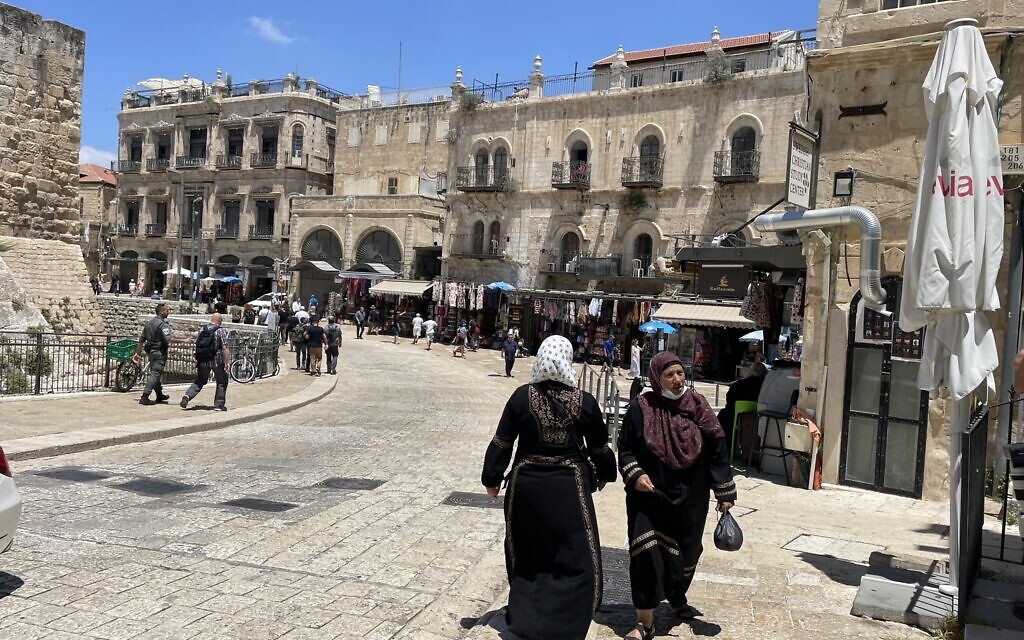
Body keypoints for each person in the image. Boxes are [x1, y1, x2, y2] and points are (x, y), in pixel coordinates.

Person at [481, 336, 617, 640]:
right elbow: (599, 447)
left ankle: (528, 617)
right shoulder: (585, 402)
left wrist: (492, 478)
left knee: (528, 552)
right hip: (570, 488)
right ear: (567, 360)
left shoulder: (520, 397)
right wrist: (606, 473)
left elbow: (502, 441)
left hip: (526, 486)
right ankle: (567, 623)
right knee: (574, 554)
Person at [618, 352, 736, 639]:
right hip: (651, 497)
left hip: (692, 497)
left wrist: (724, 490)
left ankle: (676, 596)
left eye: (680, 374)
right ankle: (644, 621)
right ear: (656, 378)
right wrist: (635, 474)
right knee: (645, 552)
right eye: (669, 375)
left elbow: (718, 448)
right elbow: (626, 447)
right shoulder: (641, 407)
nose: (677, 380)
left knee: (688, 552)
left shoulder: (698, 405)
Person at [180, 312, 230, 411]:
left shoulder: (203, 329)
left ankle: (188, 395)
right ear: (220, 321)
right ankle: (218, 405)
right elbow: (225, 347)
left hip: (203, 359)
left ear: (212, 319)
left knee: (200, 380)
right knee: (222, 381)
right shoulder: (221, 330)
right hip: (217, 360)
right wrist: (227, 362)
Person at [716, 361, 768, 454]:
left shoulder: (739, 384)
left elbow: (730, 400)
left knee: (723, 415)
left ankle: (725, 448)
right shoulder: (765, 387)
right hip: (758, 419)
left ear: (752, 371)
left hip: (735, 417)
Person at [133, 303, 174, 405]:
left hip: (150, 352)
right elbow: (168, 339)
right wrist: (185, 340)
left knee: (156, 374)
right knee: (155, 374)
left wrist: (137, 354)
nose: (168, 313)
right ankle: (145, 396)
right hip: (159, 352)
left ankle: (159, 395)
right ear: (161, 312)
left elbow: (141, 340)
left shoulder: (148, 324)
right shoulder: (163, 325)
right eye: (167, 311)